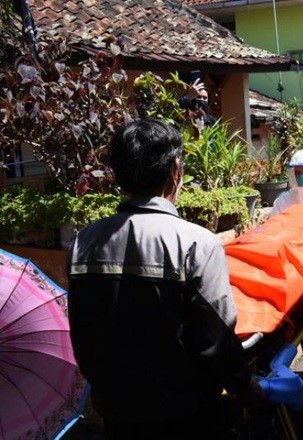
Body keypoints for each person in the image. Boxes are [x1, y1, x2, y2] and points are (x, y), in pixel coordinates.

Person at [67, 118, 264, 439]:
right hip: (190, 418)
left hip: (119, 417)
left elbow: (83, 337)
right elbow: (216, 343)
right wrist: (246, 387)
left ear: (118, 175)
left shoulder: (84, 243)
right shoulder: (196, 244)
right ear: (176, 170)